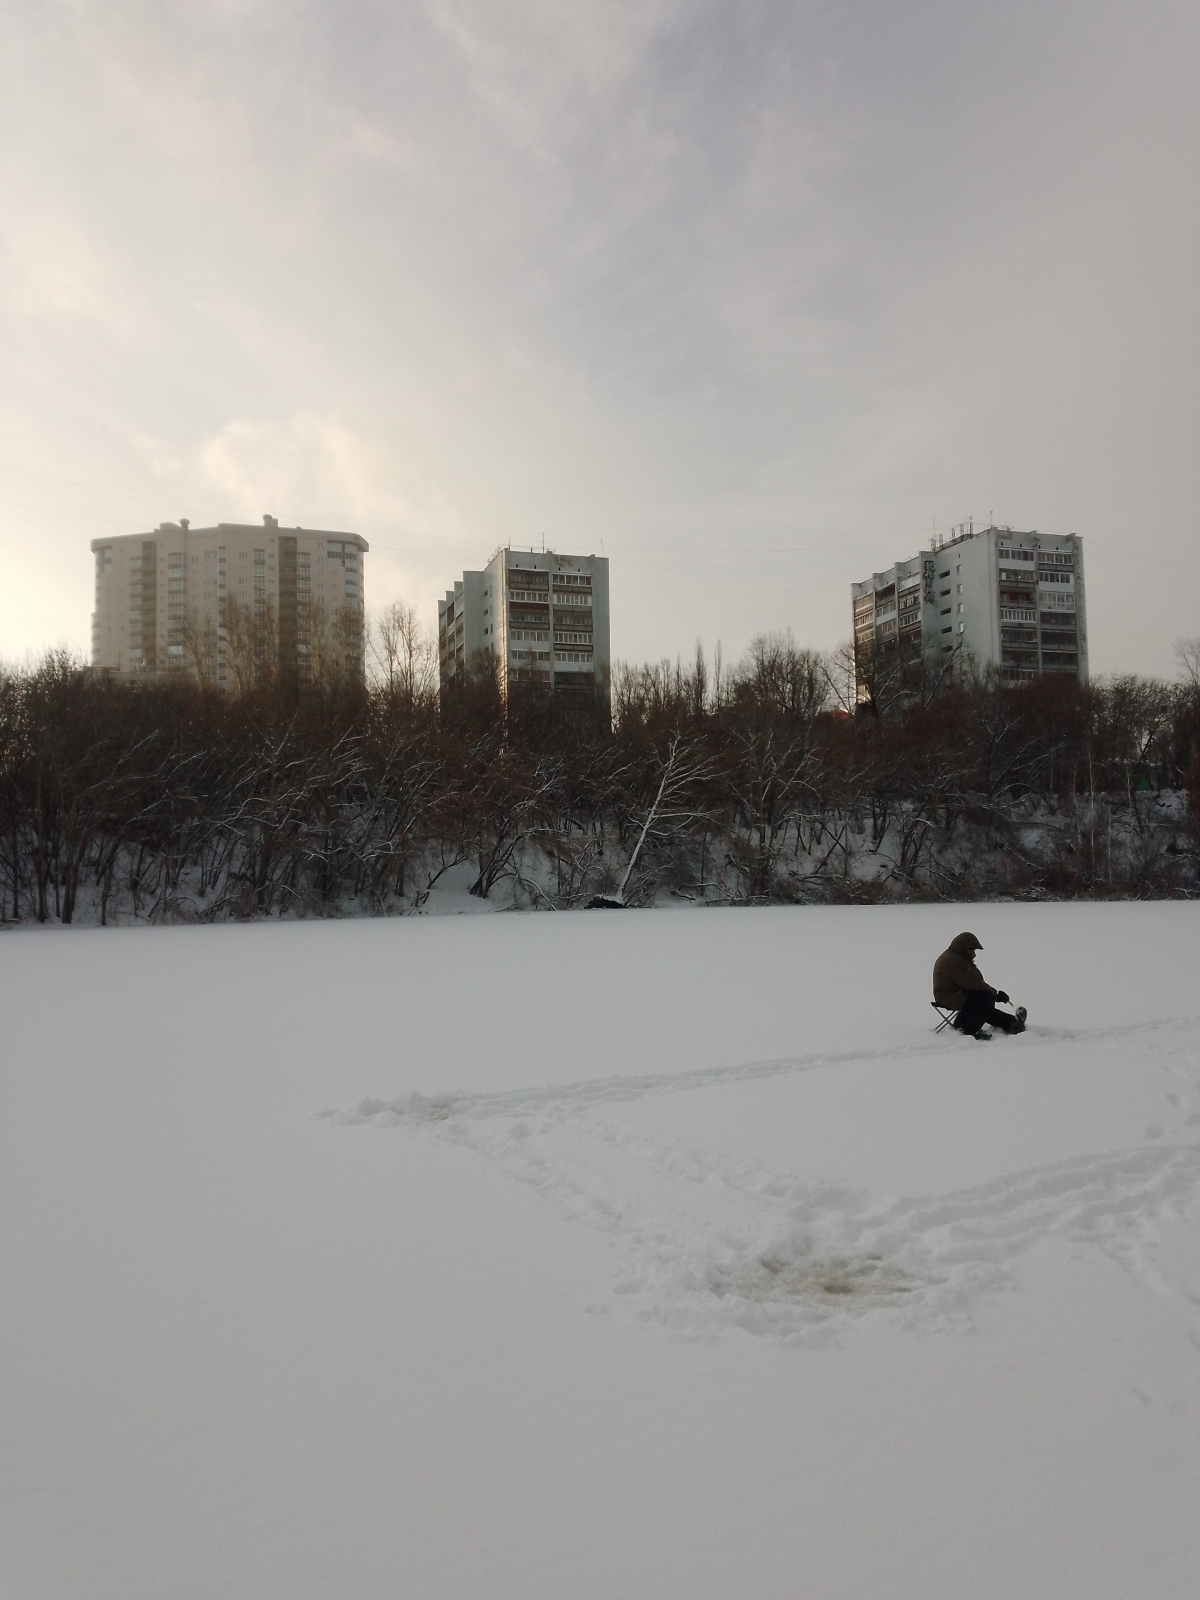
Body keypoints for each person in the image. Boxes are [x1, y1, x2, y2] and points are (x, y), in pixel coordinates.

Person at [933, 932, 1026, 1038]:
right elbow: (972, 983)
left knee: (983, 1003)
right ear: (964, 948)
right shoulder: (953, 961)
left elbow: (973, 982)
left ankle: (1012, 1023)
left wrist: (993, 994)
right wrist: (995, 995)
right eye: (972, 950)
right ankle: (970, 1029)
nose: (974, 954)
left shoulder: (955, 958)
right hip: (949, 997)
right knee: (985, 997)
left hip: (953, 994)